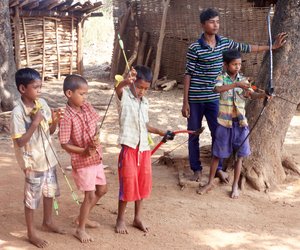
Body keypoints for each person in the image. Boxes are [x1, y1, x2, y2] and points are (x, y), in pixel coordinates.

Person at [181, 8, 287, 183]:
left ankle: (219, 169)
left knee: (219, 133)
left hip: (216, 99)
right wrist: (185, 102)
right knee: (193, 134)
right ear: (203, 25)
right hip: (195, 98)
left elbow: (246, 48)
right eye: (211, 22)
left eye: (217, 21)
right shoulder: (194, 48)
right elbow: (188, 74)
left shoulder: (224, 43)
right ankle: (196, 169)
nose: (216, 25)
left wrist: (272, 47)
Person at [198, 49, 270, 198]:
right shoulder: (221, 78)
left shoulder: (244, 81)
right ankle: (210, 182)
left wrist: (264, 94)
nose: (237, 67)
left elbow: (252, 94)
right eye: (234, 64)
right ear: (225, 65)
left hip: (240, 125)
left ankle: (235, 186)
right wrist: (235, 84)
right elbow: (217, 89)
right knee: (217, 155)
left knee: (240, 156)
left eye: (239, 64)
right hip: (224, 124)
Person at [114, 65, 173, 234]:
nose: (142, 91)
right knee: (127, 184)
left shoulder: (145, 102)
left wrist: (163, 132)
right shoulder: (124, 97)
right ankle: (120, 219)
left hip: (144, 150)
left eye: (145, 89)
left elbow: (145, 125)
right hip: (129, 148)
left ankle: (137, 217)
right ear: (132, 83)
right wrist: (126, 81)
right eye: (139, 87)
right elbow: (118, 88)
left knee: (142, 184)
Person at [10, 68, 65, 248]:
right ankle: (31, 232)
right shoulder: (17, 113)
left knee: (49, 192)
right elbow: (20, 142)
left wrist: (55, 120)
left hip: (48, 157)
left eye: (40, 87)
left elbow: (50, 131)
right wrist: (34, 123)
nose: (39, 91)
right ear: (22, 89)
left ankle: (47, 222)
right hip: (32, 162)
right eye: (36, 87)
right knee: (32, 198)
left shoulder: (42, 103)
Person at [59, 74, 107, 243]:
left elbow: (96, 125)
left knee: (102, 190)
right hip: (83, 161)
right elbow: (64, 143)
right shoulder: (66, 116)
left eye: (86, 94)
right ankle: (80, 229)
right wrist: (83, 151)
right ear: (69, 93)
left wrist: (96, 136)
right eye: (82, 94)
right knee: (89, 194)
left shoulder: (86, 106)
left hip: (96, 157)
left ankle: (82, 218)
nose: (85, 97)